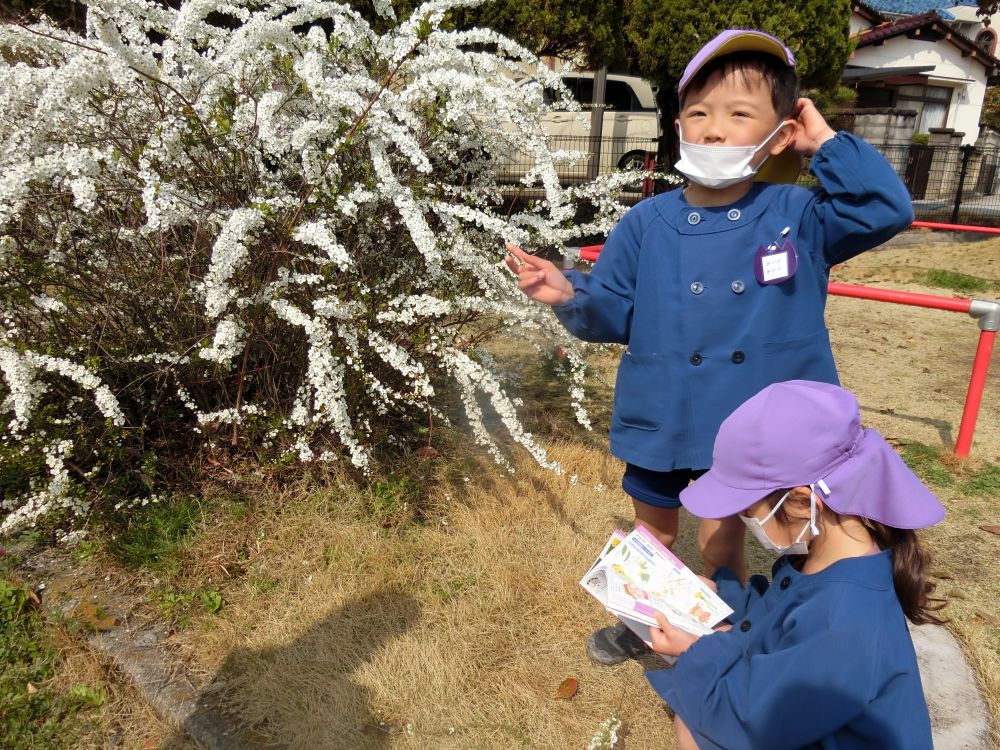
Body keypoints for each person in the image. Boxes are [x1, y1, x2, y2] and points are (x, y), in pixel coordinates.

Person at [504, 29, 914, 664]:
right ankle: (647, 619)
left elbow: (883, 208)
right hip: (666, 411)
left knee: (726, 539)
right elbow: (614, 308)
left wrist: (823, 142)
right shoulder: (646, 221)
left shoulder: (797, 214)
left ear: (780, 133)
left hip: (756, 424)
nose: (715, 130)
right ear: (678, 127)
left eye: (740, 113)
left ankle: (729, 623)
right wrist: (567, 294)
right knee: (654, 529)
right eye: (698, 114)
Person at [645, 379, 945, 750]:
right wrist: (721, 599)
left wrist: (695, 652)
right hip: (811, 721)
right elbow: (782, 622)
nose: (743, 517)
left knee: (696, 723)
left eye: (746, 508)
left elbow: (750, 718)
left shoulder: (847, 618)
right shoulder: (833, 558)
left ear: (804, 501)